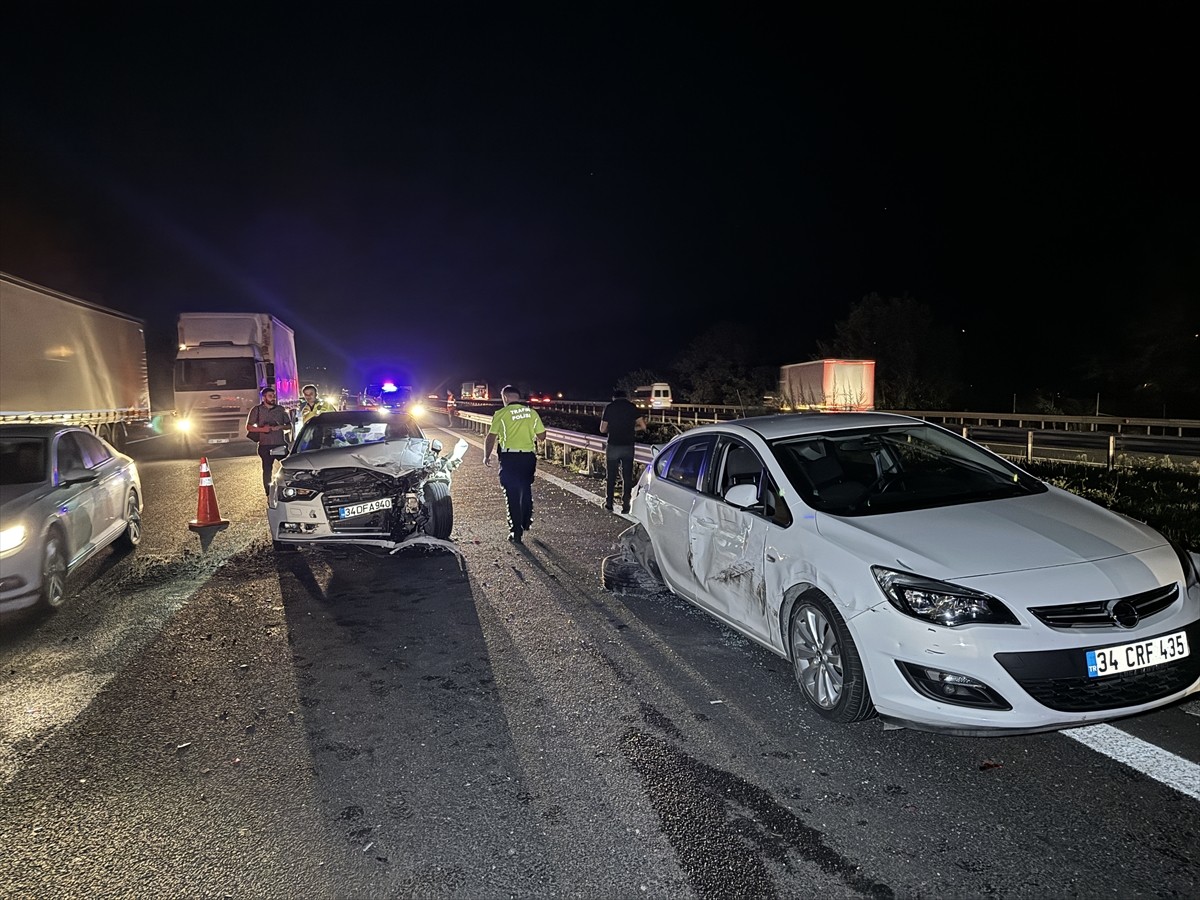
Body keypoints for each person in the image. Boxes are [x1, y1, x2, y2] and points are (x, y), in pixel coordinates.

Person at [483, 385, 546, 543]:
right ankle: (526, 521)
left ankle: (516, 530)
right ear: (518, 397)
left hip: (509, 457)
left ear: (505, 398)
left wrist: (486, 456)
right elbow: (542, 436)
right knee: (525, 488)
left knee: (511, 493)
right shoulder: (532, 413)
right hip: (528, 457)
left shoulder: (501, 414)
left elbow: (491, 437)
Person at [600, 388, 647, 514]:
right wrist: (631, 430)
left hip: (613, 445)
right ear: (626, 397)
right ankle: (626, 505)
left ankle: (609, 503)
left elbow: (602, 429)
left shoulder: (610, 407)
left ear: (614, 398)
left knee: (611, 476)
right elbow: (643, 426)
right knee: (627, 476)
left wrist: (613, 428)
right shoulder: (632, 407)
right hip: (628, 446)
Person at [246, 386, 292, 496]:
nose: (273, 398)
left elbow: (289, 426)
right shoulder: (256, 410)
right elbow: (249, 427)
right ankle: (268, 492)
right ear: (264, 398)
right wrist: (263, 429)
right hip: (265, 445)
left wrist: (280, 427)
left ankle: (288, 489)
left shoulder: (280, 409)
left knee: (288, 466)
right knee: (267, 470)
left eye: (274, 396)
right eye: (270, 396)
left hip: (279, 444)